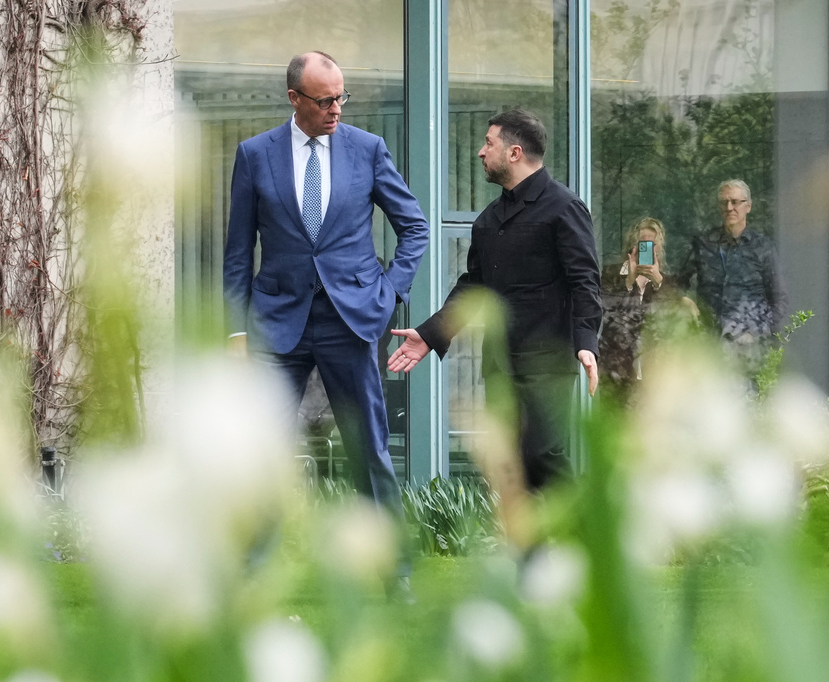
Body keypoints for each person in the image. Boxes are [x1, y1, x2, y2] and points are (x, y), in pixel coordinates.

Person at [223, 51, 429, 600]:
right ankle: (252, 575)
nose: (337, 108)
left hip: (350, 320)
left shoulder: (368, 149)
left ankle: (395, 574)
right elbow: (238, 252)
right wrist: (235, 332)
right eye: (325, 99)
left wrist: (388, 294)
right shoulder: (253, 155)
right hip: (276, 322)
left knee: (369, 449)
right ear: (295, 99)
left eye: (342, 97)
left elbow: (414, 228)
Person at [388, 108, 602, 495]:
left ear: (515, 152)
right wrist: (431, 333)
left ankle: (589, 539)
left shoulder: (564, 207)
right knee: (510, 467)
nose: (480, 152)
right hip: (500, 360)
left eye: (489, 143)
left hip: (547, 360)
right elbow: (474, 286)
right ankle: (531, 551)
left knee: (542, 455)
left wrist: (586, 343)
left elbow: (585, 281)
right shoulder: (489, 218)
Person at [677, 179, 788, 377]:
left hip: (750, 351)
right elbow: (678, 283)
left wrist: (759, 333)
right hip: (709, 345)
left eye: (735, 202)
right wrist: (685, 301)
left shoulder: (763, 247)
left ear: (748, 206)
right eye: (724, 202)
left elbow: (779, 298)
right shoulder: (703, 244)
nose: (729, 207)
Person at [598, 217, 670, 403]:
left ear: (660, 248)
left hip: (654, 375)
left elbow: (672, 318)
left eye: (653, 244)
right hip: (616, 372)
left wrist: (658, 281)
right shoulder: (611, 275)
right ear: (632, 246)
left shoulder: (666, 281)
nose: (647, 249)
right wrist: (628, 283)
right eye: (642, 244)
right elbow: (606, 315)